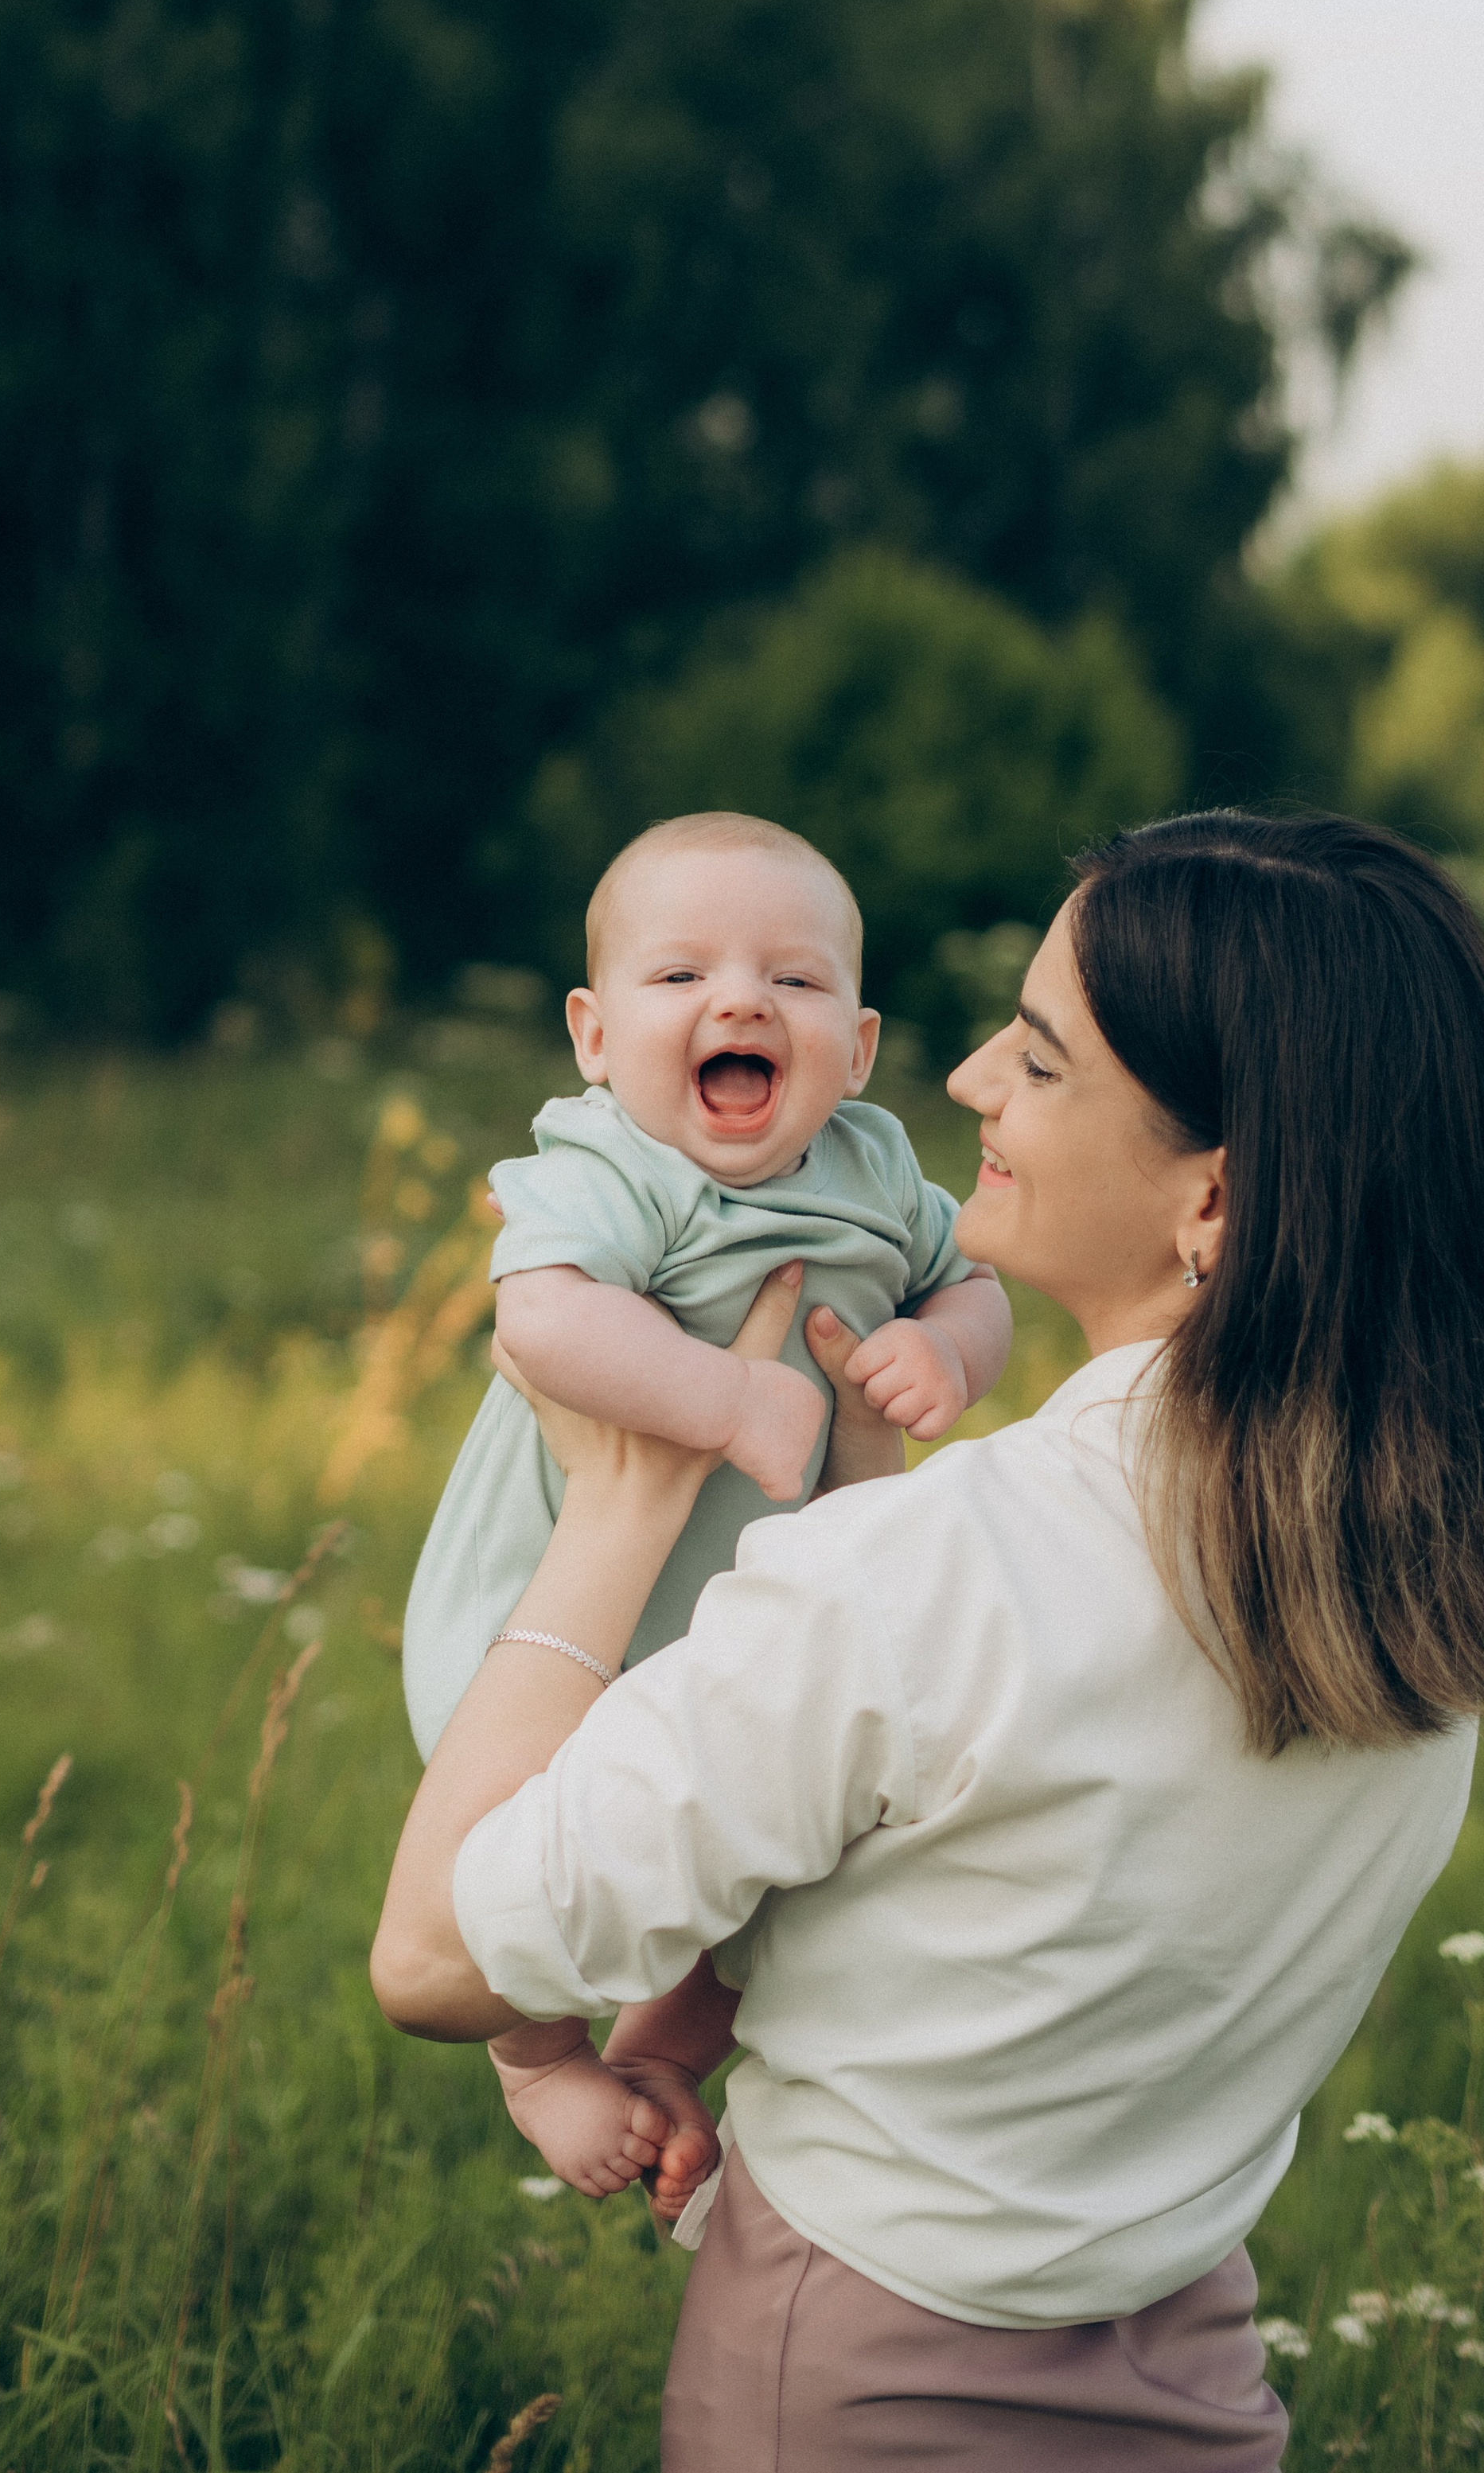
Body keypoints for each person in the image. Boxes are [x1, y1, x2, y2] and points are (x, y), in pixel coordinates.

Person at [373, 812, 1484, 2469]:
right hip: (1188, 2356)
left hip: (849, 2380)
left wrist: (623, 1499)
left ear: (1213, 1196)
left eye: (1045, 1060)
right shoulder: (1415, 1583)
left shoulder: (926, 1575)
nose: (975, 1075)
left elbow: (430, 1957)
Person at [403, 808, 1011, 2198]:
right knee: (522, 1836)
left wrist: (945, 1353)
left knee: (794, 1857)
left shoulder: (875, 1171)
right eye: (680, 976)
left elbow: (975, 1286)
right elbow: (541, 1324)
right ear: (596, 1034)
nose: (741, 998)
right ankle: (542, 2057)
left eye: (794, 980)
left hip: (753, 1616)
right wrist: (726, 1400)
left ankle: (670, 2046)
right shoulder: (616, 1167)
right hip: (566, 1609)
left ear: (855, 1048)